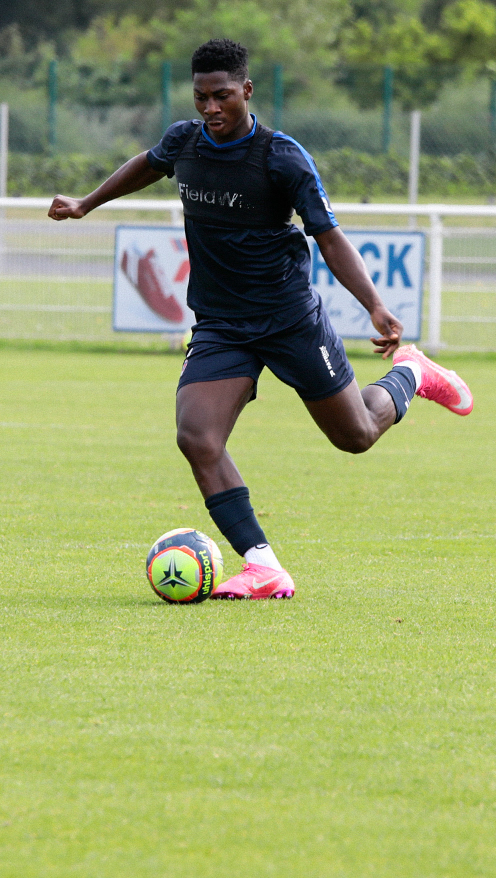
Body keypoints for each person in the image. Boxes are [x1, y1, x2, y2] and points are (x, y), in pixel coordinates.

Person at [49, 39, 473, 598]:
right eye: (201, 97)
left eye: (222, 96)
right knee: (197, 436)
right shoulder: (185, 141)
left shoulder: (281, 157)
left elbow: (329, 236)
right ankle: (263, 565)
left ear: (247, 91)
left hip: (288, 319)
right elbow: (147, 166)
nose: (210, 109)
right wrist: (86, 202)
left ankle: (412, 374)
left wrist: (374, 303)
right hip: (221, 324)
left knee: (356, 436)